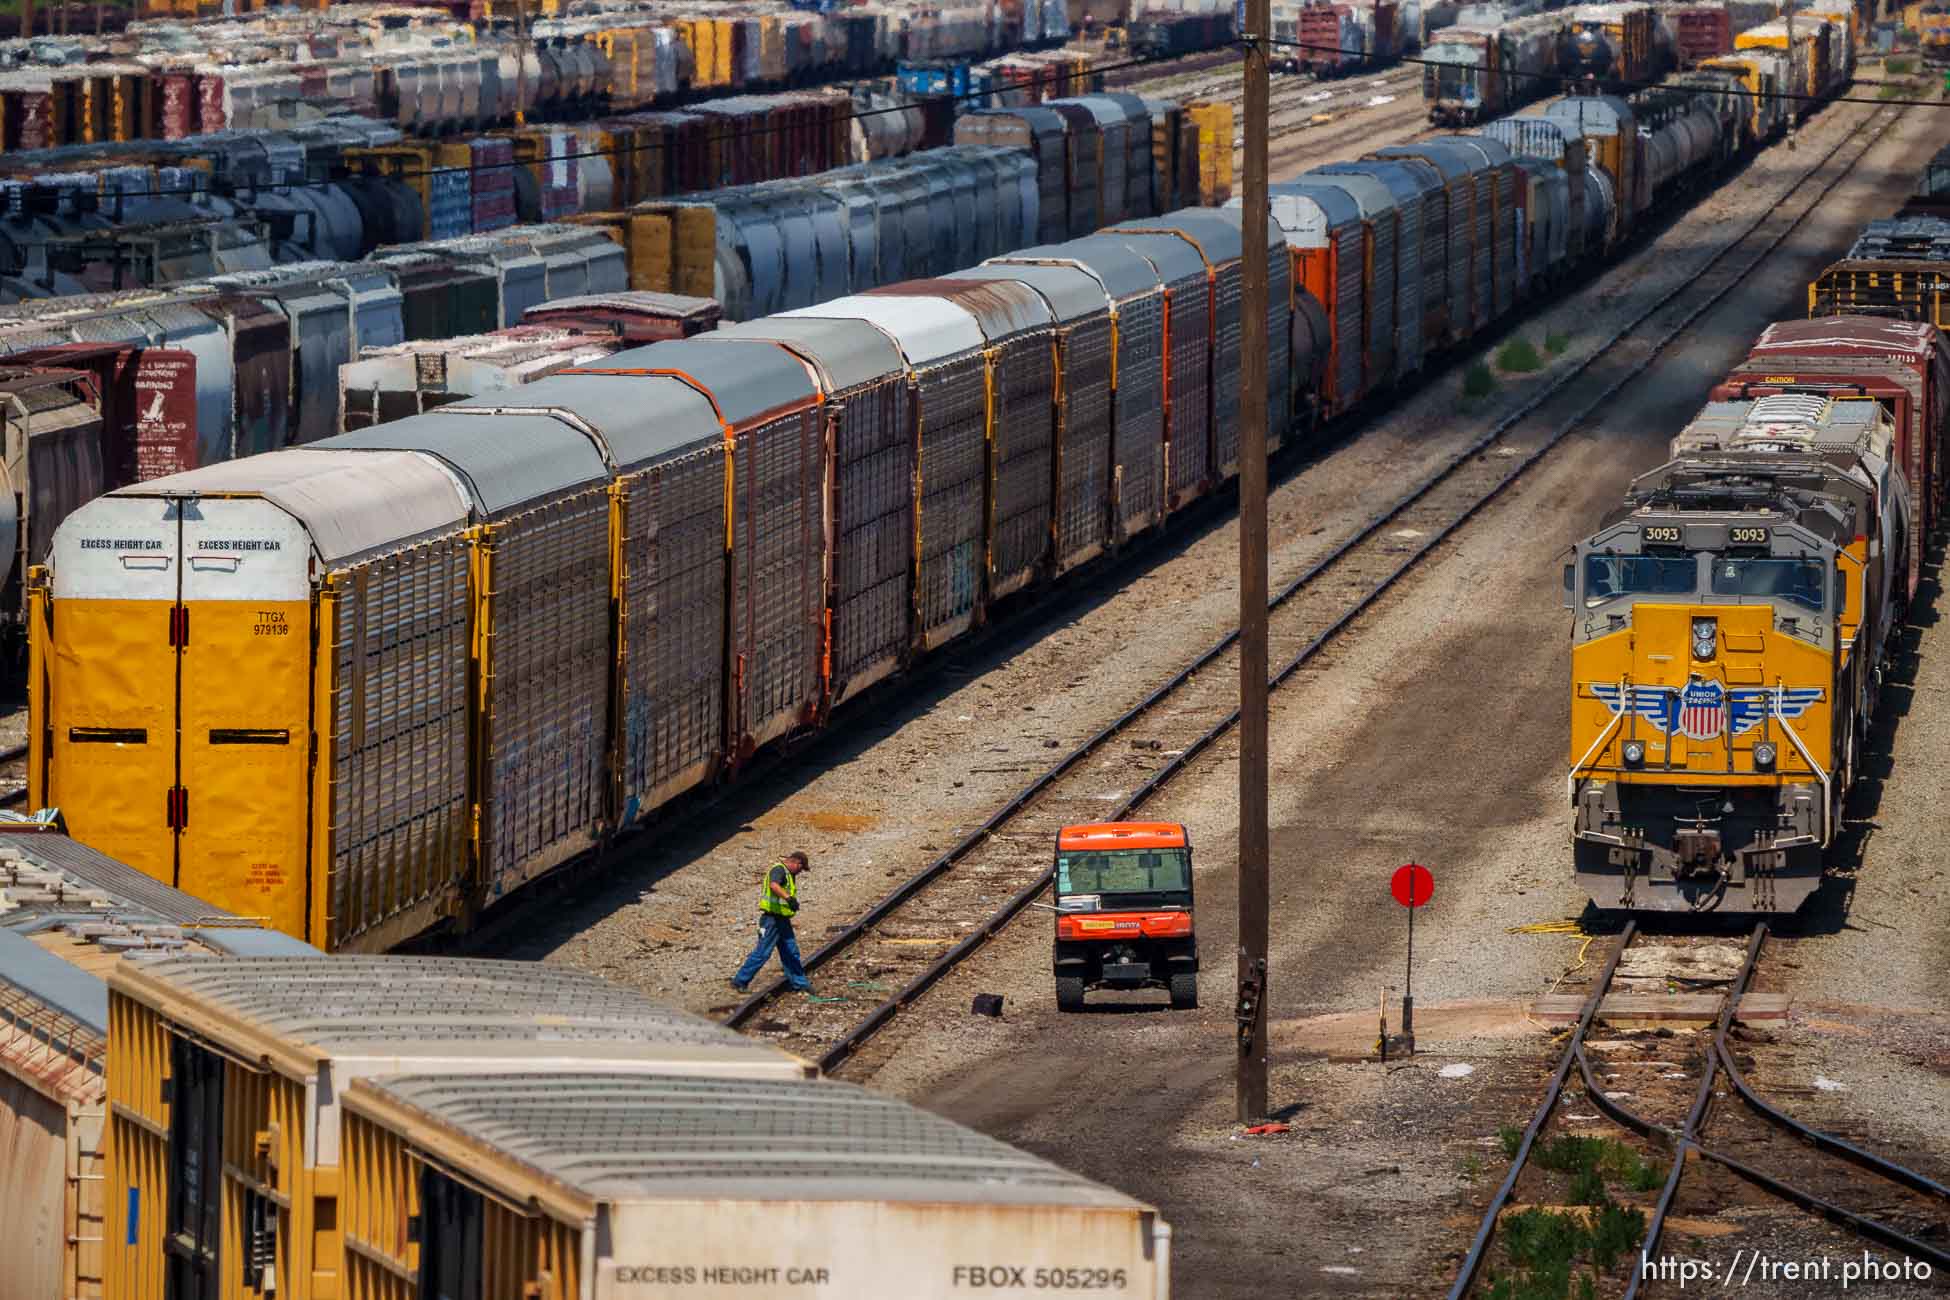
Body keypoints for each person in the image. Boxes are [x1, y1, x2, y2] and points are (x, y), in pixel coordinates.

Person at [731, 851, 813, 994]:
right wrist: (789, 899)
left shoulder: (789, 873)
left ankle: (799, 983)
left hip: (782, 920)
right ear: (796, 862)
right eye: (801, 868)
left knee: (791, 951)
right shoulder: (779, 870)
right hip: (771, 920)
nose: (800, 872)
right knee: (763, 952)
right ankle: (740, 981)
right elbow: (773, 885)